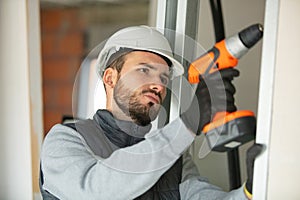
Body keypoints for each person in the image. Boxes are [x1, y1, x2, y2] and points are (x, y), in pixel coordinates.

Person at [39, 25, 262, 200]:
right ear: (110, 78)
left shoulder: (175, 160)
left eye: (164, 78)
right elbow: (95, 192)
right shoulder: (66, 139)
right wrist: (190, 121)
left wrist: (252, 191)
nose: (158, 85)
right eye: (144, 70)